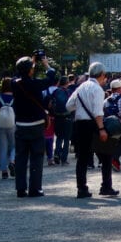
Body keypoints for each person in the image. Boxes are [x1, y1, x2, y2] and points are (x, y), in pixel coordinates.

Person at [66, 61, 117, 197]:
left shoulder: (81, 87)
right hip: (94, 124)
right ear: (102, 74)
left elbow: (69, 106)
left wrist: (81, 108)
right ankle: (106, 186)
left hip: (80, 124)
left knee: (82, 158)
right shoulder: (98, 89)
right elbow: (98, 112)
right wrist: (101, 129)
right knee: (105, 156)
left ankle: (81, 188)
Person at [11, 56, 49, 198]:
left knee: (21, 157)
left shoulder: (15, 83)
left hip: (20, 124)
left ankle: (20, 189)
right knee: (36, 157)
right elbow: (51, 78)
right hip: (37, 124)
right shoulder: (36, 84)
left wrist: (30, 62)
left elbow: (19, 74)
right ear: (31, 70)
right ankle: (35, 188)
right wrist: (46, 65)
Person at [47, 76, 73, 166]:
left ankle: (56, 154)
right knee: (66, 139)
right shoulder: (69, 92)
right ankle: (64, 159)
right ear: (67, 83)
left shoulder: (55, 92)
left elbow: (50, 105)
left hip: (57, 117)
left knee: (59, 137)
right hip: (68, 117)